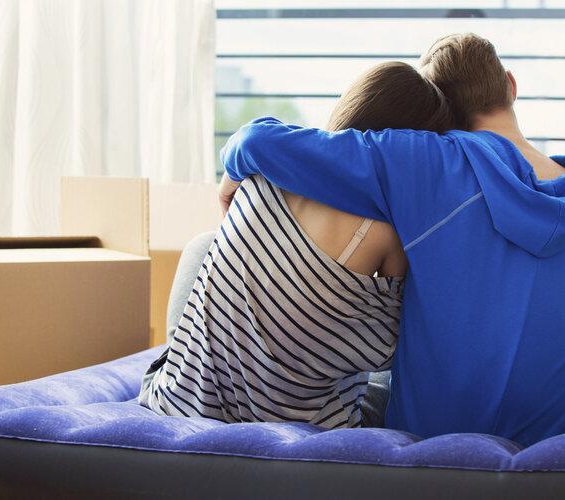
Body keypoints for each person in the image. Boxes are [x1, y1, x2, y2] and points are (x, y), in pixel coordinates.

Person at [218, 33, 565, 446]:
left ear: (441, 111)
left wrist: (229, 181)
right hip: (553, 432)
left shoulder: (425, 160)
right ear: (510, 85)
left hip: (426, 428)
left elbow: (258, 140)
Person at [137, 62, 454, 428]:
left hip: (177, 400)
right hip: (301, 426)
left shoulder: (265, 164)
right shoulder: (385, 230)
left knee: (202, 246)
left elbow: (250, 147)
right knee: (387, 375)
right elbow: (387, 347)